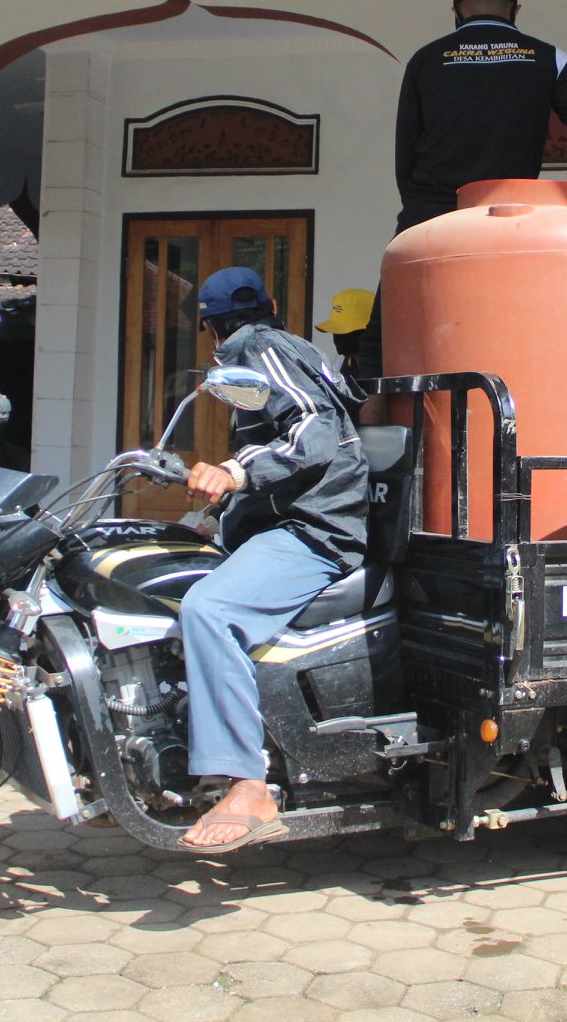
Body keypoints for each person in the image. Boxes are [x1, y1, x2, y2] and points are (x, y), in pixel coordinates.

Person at [176, 267, 369, 853]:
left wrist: (234, 471)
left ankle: (249, 785)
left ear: (207, 326)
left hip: (314, 531)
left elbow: (315, 429)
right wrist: (216, 514)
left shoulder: (259, 347)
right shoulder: (261, 355)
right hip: (285, 524)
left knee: (208, 608)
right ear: (275, 302)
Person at [358, 0, 567, 381]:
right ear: (515, 11)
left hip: (432, 208)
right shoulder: (548, 57)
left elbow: (406, 146)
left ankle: (368, 426)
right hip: (508, 213)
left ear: (457, 11)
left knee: (385, 330)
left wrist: (420, 205)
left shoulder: (425, 59)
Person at [314, 286, 374, 385]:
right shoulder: (340, 362)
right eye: (336, 331)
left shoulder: (384, 367)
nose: (338, 338)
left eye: (344, 331)